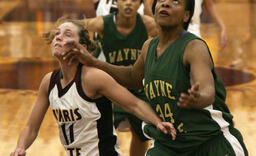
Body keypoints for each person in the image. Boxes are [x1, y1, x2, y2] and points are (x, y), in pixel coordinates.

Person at [62, 0, 248, 156]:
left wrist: (198, 98)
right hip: (169, 143)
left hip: (209, 142)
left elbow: (208, 90)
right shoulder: (149, 47)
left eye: (175, 1)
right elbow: (133, 77)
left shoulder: (193, 47)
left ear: (185, 15)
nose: (166, 3)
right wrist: (93, 62)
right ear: (154, 8)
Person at [10, 16, 175, 156]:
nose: (59, 37)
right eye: (57, 34)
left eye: (67, 34)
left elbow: (134, 104)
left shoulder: (93, 78)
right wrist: (21, 147)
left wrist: (157, 122)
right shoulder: (49, 81)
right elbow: (31, 127)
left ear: (83, 47)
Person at [80, 0, 158, 156]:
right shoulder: (102, 23)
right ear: (116, 2)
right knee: (109, 130)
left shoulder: (148, 24)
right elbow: (78, 26)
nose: (128, 3)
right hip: (113, 84)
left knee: (142, 135)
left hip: (139, 85)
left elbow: (171, 38)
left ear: (140, 5)